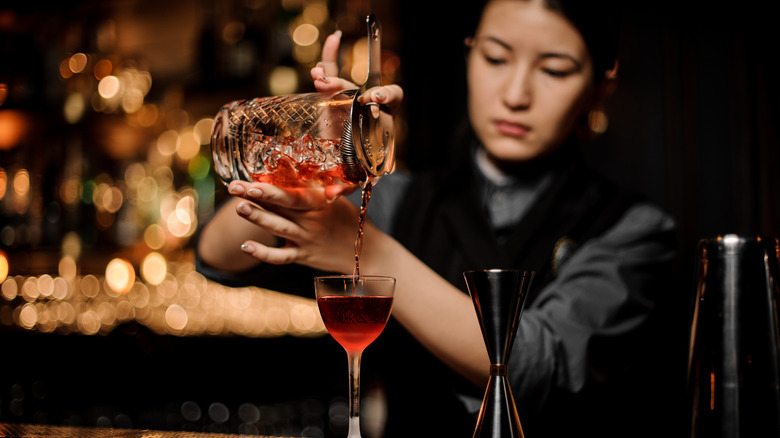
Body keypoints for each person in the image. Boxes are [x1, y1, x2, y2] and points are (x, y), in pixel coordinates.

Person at [196, 1, 679, 436]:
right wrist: (320, 159)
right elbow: (218, 256)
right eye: (495, 58)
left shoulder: (633, 232)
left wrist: (366, 251)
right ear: (468, 55)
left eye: (554, 70)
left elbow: (537, 370)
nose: (516, 93)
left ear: (600, 88)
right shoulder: (401, 197)